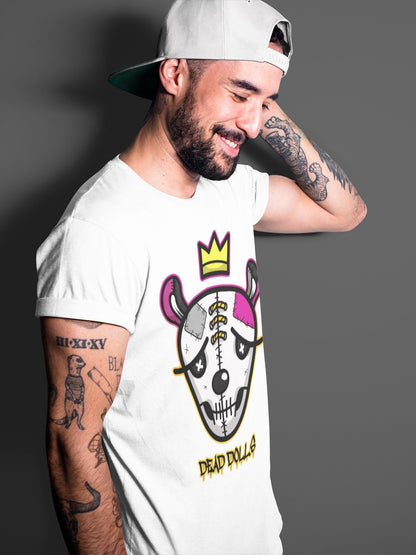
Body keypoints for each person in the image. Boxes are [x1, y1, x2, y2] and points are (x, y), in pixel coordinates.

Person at [36, 0, 366, 553]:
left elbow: (346, 211)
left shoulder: (231, 191)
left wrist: (257, 102)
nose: (253, 125)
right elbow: (73, 445)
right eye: (238, 94)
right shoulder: (98, 230)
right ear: (174, 74)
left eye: (267, 102)